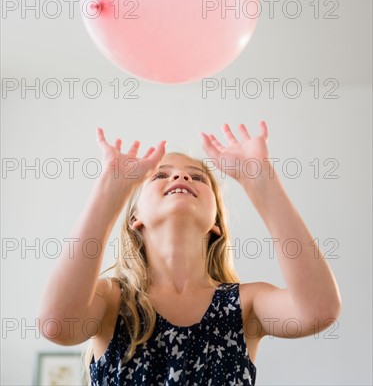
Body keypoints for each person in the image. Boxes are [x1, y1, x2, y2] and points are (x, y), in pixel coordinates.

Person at [37, 122, 342, 386]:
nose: (181, 178)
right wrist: (108, 191)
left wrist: (262, 181)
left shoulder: (246, 305)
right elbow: (57, 324)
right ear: (135, 218)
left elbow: (319, 310)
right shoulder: (112, 300)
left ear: (216, 224)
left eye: (197, 177)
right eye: (160, 176)